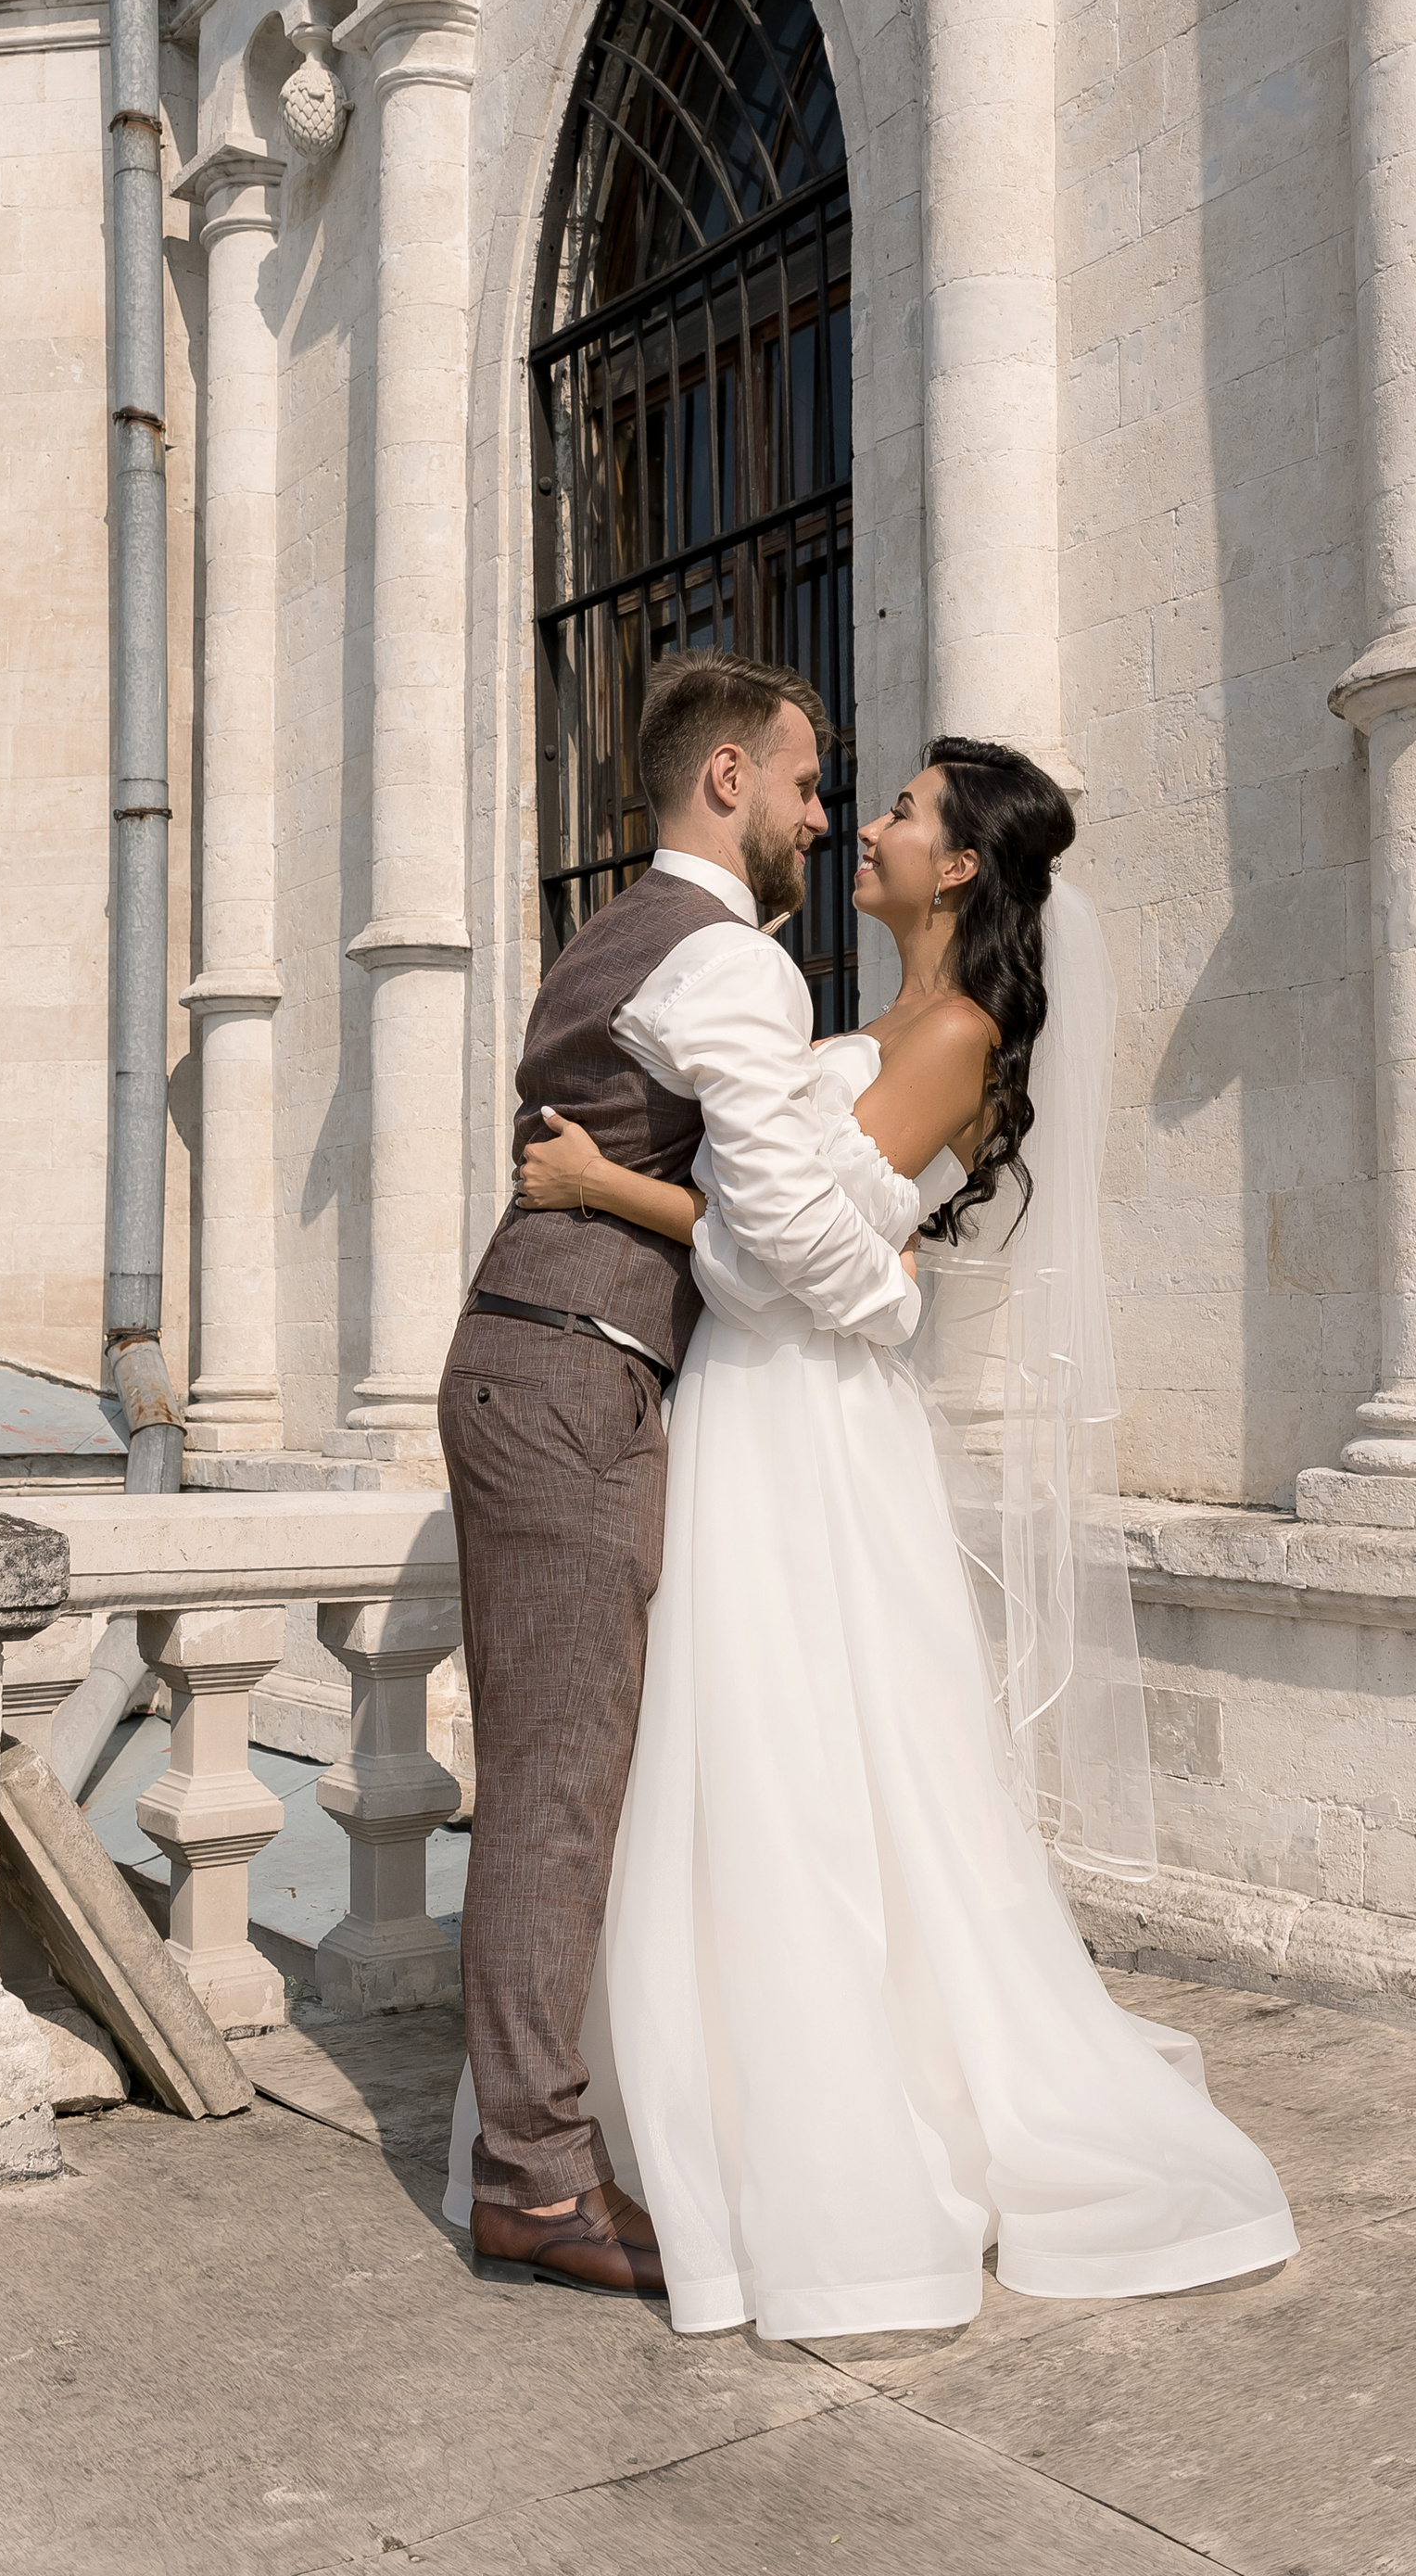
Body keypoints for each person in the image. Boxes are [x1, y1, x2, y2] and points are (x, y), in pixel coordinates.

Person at [496, 732, 1298, 2337]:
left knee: (795, 1744)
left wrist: (597, 1185)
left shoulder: (954, 1031)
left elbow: (783, 1256)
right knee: (732, 1744)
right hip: (763, 1396)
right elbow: (812, 1229)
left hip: (801, 1413)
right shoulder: (879, 1023)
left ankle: (815, 2114)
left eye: (908, 813)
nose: (865, 823)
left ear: (960, 870)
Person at [436, 651, 920, 2299]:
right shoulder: (727, 961)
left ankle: (539, 2144)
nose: (818, 810)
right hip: (570, 1376)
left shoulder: (610, 934)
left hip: (542, 1356)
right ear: (728, 776)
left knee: (566, 1771)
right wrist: (890, 1301)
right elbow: (782, 1224)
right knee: (563, 1783)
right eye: (801, 779)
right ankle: (534, 2181)